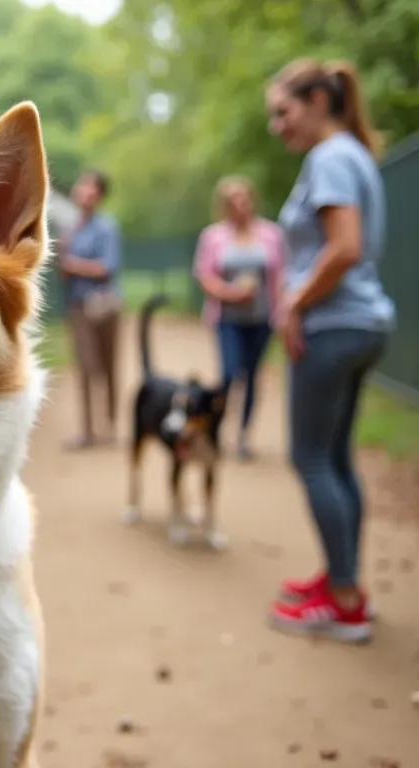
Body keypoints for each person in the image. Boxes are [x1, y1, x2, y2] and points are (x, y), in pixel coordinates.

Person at [265, 59, 395, 642]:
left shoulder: (330, 158)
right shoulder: (355, 155)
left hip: (334, 326)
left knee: (312, 458)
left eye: (284, 112)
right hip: (361, 323)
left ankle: (343, 603)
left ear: (318, 99)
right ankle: (343, 580)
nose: (277, 126)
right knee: (336, 459)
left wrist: (293, 304)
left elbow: (343, 248)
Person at [193, 176, 285, 459]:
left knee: (253, 376)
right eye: (233, 201)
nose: (240, 205)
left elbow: (280, 276)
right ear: (225, 206)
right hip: (227, 319)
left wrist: (281, 314)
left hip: (261, 319)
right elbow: (204, 275)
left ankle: (244, 436)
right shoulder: (213, 236)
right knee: (230, 375)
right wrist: (229, 293)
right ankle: (216, 430)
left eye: (244, 199)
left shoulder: (271, 234)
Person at [58, 170, 123, 449]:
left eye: (92, 188)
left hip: (105, 307)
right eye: (83, 186)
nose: (86, 192)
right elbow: (62, 270)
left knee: (108, 366)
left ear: (100, 196)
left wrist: (73, 265)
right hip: (78, 307)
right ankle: (87, 431)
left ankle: (110, 426)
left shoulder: (107, 227)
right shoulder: (68, 228)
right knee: (85, 368)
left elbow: (107, 267)